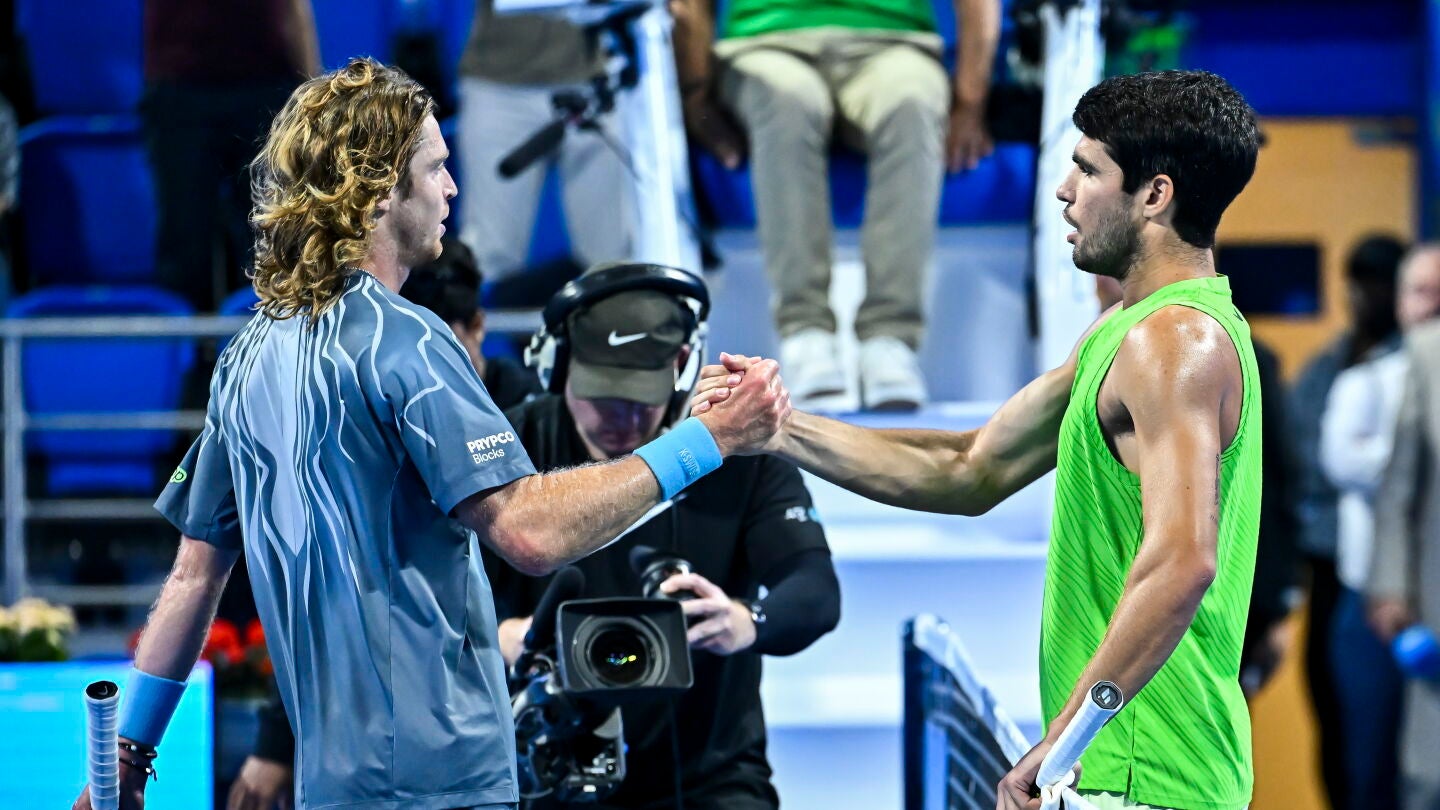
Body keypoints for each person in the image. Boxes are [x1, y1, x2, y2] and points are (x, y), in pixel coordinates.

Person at [72, 58, 787, 810]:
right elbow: (530, 532)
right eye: (436, 168)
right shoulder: (408, 340)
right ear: (380, 187)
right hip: (444, 788)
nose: (451, 189)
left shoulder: (245, 358)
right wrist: (706, 439)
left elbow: (194, 576)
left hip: (331, 791)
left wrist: (126, 755)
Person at [696, 69, 1262, 810]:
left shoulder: (1175, 341)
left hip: (1147, 777)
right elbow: (968, 468)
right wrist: (778, 427)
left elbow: (1183, 561)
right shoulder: (1127, 330)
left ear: (1155, 195)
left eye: (1089, 170)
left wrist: (1067, 739)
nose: (1063, 190)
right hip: (1123, 769)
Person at [485, 262, 840, 810]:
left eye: (641, 399)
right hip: (547, 766)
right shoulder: (512, 447)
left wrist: (744, 621)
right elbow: (428, 605)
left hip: (711, 776)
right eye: (604, 397)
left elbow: (815, 590)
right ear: (559, 366)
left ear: (681, 366)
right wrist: (500, 638)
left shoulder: (740, 453)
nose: (623, 420)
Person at [223, 236, 541, 809]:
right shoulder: (361, 372)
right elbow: (321, 585)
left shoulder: (531, 420)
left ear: (475, 330)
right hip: (391, 762)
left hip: (485, 734)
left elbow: (536, 538)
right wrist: (276, 738)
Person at [673, 0, 1000, 411]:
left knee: (911, 104)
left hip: (895, 45)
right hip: (764, 46)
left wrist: (970, 102)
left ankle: (890, 341)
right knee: (787, 102)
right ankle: (805, 333)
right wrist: (695, 98)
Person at [1319, 244, 1440, 809]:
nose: (1432, 305)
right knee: (1371, 768)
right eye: (1421, 292)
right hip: (1373, 599)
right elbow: (1345, 462)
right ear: (1399, 301)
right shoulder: (1366, 379)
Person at [1289, 233, 1408, 806]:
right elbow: (1307, 464)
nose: (1366, 297)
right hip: (1332, 572)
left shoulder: (1415, 369)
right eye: (1359, 283)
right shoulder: (1329, 371)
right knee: (1342, 725)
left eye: (1380, 284)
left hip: (1404, 573)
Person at [142, 0, 319, 311]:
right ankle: (186, 341)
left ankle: (267, 337)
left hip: (265, 86)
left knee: (268, 241)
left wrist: (311, 96)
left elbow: (296, 8)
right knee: (185, 243)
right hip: (180, 90)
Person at [456, 0, 635, 286]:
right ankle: (464, 315)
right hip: (498, 86)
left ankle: (613, 314)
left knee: (610, 256)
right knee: (488, 254)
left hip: (592, 81)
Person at [1367, 245, 1440, 810]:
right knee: (1428, 774)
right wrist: (1390, 585)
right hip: (1435, 605)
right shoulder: (1428, 353)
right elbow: (1400, 485)